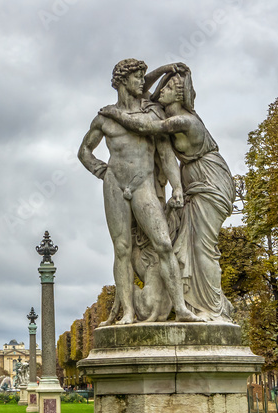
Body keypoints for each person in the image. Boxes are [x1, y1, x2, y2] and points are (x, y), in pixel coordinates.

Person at [98, 64, 234, 321]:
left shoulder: (182, 120)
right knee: (190, 245)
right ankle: (197, 305)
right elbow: (138, 92)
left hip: (209, 179)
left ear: (180, 96)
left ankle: (212, 307)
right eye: (164, 84)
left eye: (169, 87)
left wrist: (113, 114)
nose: (161, 89)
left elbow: (145, 128)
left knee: (202, 246)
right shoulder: (157, 109)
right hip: (191, 179)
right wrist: (165, 69)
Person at [78, 58, 202, 324]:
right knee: (121, 249)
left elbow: (166, 154)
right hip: (114, 184)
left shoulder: (152, 114)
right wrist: (101, 171)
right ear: (123, 81)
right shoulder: (103, 118)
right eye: (137, 77)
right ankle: (128, 312)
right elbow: (84, 151)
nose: (141, 82)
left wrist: (177, 188)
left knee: (163, 244)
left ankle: (180, 308)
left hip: (143, 182)